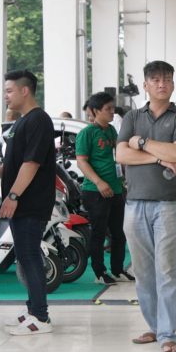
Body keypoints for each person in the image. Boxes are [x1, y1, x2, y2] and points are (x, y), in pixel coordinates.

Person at [116, 60, 176, 352]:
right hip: (135, 203)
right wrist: (159, 157)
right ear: (146, 85)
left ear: (173, 84)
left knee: (168, 270)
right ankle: (154, 325)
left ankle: (167, 334)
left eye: (167, 79)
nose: (162, 84)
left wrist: (141, 142)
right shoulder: (132, 117)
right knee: (143, 271)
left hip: (170, 204)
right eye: (156, 79)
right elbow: (121, 155)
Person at [0, 69, 56, 336]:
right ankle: (33, 309)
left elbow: (31, 163)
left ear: (25, 91)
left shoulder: (39, 120)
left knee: (30, 256)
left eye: (9, 91)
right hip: (22, 202)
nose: (6, 96)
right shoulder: (22, 122)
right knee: (24, 256)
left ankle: (41, 317)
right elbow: (15, 161)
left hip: (31, 202)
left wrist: (13, 196)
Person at [76, 92, 133, 285]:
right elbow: (82, 161)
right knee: (98, 233)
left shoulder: (111, 131)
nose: (112, 112)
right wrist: (99, 182)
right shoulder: (87, 133)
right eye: (107, 109)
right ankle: (99, 272)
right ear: (95, 111)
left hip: (116, 189)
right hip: (95, 191)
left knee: (118, 233)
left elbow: (119, 156)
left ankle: (117, 269)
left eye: (112, 108)